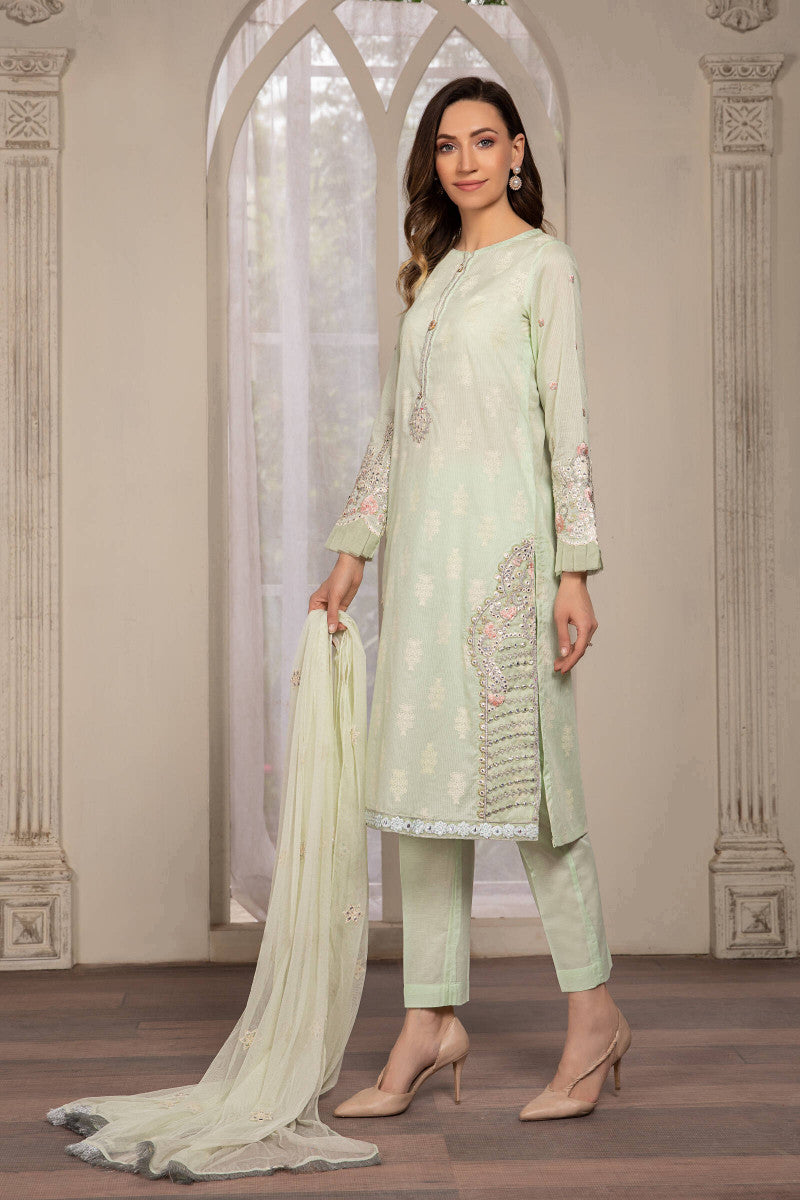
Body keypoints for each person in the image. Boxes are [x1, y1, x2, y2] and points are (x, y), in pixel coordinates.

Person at [308, 75, 631, 1122]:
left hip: (507, 568)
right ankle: (430, 1019)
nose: (464, 162)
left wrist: (573, 570)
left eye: (483, 142)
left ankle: (592, 1015)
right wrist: (355, 551)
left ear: (517, 151)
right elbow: (391, 428)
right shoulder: (436, 275)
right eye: (446, 146)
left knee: (535, 797)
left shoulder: (545, 267)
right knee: (422, 799)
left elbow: (566, 422)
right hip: (424, 568)